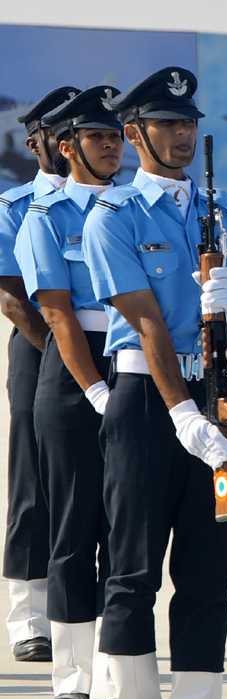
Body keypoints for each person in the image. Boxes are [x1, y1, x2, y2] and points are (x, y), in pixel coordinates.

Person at [83, 66, 227, 699]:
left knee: (209, 574)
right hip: (148, 406)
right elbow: (145, 321)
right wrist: (182, 411)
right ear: (134, 134)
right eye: (166, 125)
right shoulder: (114, 218)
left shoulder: (222, 213)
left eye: (189, 124)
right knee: (132, 572)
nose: (182, 136)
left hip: (214, 398)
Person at [14, 85, 123, 699]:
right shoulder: (44, 217)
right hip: (73, 367)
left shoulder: (135, 208)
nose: (110, 148)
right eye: (97, 138)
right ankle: (72, 675)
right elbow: (55, 315)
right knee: (74, 524)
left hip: (131, 360)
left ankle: (116, 666)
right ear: (67, 146)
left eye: (116, 137)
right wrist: (96, 389)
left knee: (123, 526)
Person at [0, 85, 77, 664]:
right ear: (36, 143)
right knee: (32, 482)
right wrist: (60, 351)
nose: (72, 139)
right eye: (60, 131)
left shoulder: (113, 201)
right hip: (40, 350)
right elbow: (13, 297)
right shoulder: (14, 206)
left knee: (91, 483)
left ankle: (79, 605)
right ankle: (29, 614)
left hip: (104, 351)